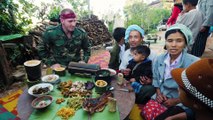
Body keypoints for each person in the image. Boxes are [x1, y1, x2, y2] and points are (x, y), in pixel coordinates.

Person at [141, 23, 200, 120]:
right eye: (170, 40)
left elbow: (196, 91)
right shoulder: (159, 59)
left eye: (179, 41)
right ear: (166, 42)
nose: (173, 45)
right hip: (162, 97)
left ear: (185, 43)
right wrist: (159, 93)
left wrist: (176, 101)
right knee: (146, 112)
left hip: (182, 102)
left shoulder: (194, 63)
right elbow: (156, 78)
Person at [119, 24, 157, 104]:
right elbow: (121, 69)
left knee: (150, 89)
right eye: (130, 37)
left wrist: (150, 81)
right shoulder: (126, 53)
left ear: (142, 38)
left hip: (143, 85)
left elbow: (156, 75)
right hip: (129, 81)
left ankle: (132, 99)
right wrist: (125, 71)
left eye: (136, 37)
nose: (132, 40)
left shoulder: (152, 54)